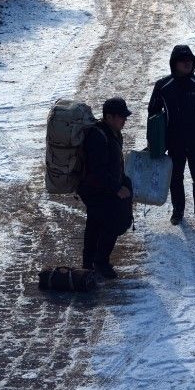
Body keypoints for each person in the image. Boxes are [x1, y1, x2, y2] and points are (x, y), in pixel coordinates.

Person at [148, 45, 195, 227]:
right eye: (183, 60)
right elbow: (153, 113)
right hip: (174, 141)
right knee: (175, 177)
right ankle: (178, 210)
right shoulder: (163, 86)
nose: (187, 63)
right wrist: (154, 141)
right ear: (174, 63)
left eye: (190, 60)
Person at [77, 97, 133, 279]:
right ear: (109, 117)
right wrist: (117, 188)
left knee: (97, 223)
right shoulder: (98, 137)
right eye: (121, 117)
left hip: (102, 189)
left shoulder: (113, 133)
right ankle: (99, 262)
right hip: (95, 190)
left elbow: (113, 164)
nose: (124, 120)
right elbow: (98, 170)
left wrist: (123, 181)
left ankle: (90, 263)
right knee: (113, 221)